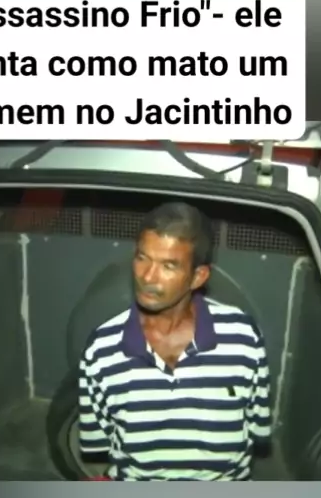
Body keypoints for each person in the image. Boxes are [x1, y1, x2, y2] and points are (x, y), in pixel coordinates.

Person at [78, 201, 272, 481]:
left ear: (198, 277)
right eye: (142, 258)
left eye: (168, 265)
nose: (148, 277)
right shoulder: (101, 349)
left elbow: (257, 432)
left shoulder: (243, 338)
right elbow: (98, 445)